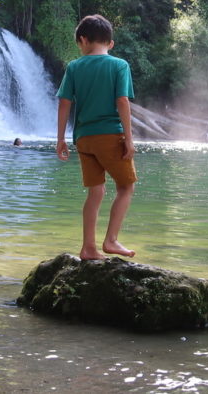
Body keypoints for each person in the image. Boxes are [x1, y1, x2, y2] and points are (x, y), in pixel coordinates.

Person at [55, 14, 137, 260]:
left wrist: (60, 139)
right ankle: (110, 240)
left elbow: (64, 102)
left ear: (82, 40)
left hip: (83, 139)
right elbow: (122, 101)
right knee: (126, 186)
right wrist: (129, 138)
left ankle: (88, 248)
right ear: (110, 43)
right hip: (110, 135)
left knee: (96, 191)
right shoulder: (119, 65)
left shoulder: (74, 67)